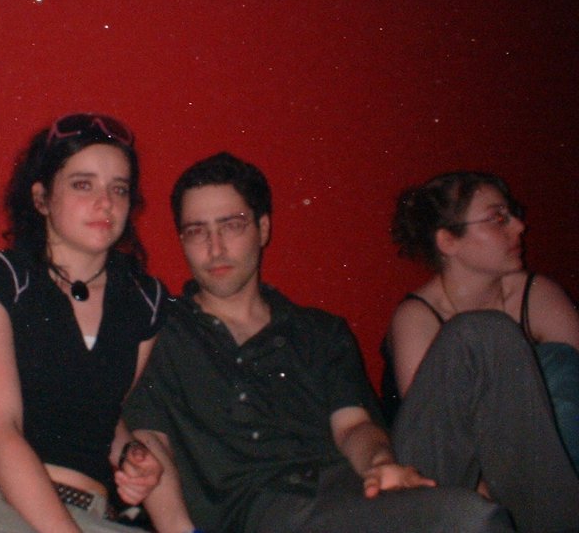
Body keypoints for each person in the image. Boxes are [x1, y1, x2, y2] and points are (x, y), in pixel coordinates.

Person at [123, 152, 523, 533]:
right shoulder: (160, 330)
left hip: (352, 492)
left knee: (483, 333)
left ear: (263, 229)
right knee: (470, 519)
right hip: (266, 511)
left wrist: (379, 463)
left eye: (232, 225)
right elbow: (149, 440)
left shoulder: (318, 331)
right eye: (197, 232)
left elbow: (353, 427)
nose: (215, 248)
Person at [0, 113, 166, 533]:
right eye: (83, 184)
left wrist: (131, 457)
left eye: (118, 188)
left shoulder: (143, 300)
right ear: (41, 198)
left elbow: (101, 416)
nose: (106, 202)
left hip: (89, 510)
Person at [382, 171, 579, 473]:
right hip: (451, 470)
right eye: (497, 218)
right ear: (448, 241)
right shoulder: (418, 317)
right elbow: (438, 434)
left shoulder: (534, 293)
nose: (520, 226)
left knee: (558, 361)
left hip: (538, 462)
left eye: (512, 214)